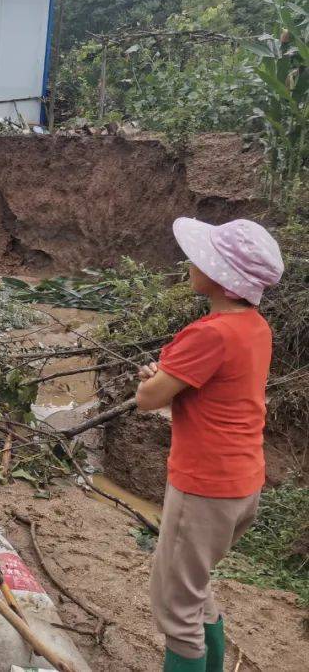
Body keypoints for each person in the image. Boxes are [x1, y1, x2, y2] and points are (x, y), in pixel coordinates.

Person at [135, 218, 283, 672]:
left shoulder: (209, 333)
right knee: (196, 586)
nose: (191, 262)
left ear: (221, 276)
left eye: (202, 258)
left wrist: (155, 381)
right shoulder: (256, 327)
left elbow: (147, 400)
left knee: (176, 608)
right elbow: (211, 386)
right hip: (243, 483)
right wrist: (169, 379)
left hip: (204, 487)